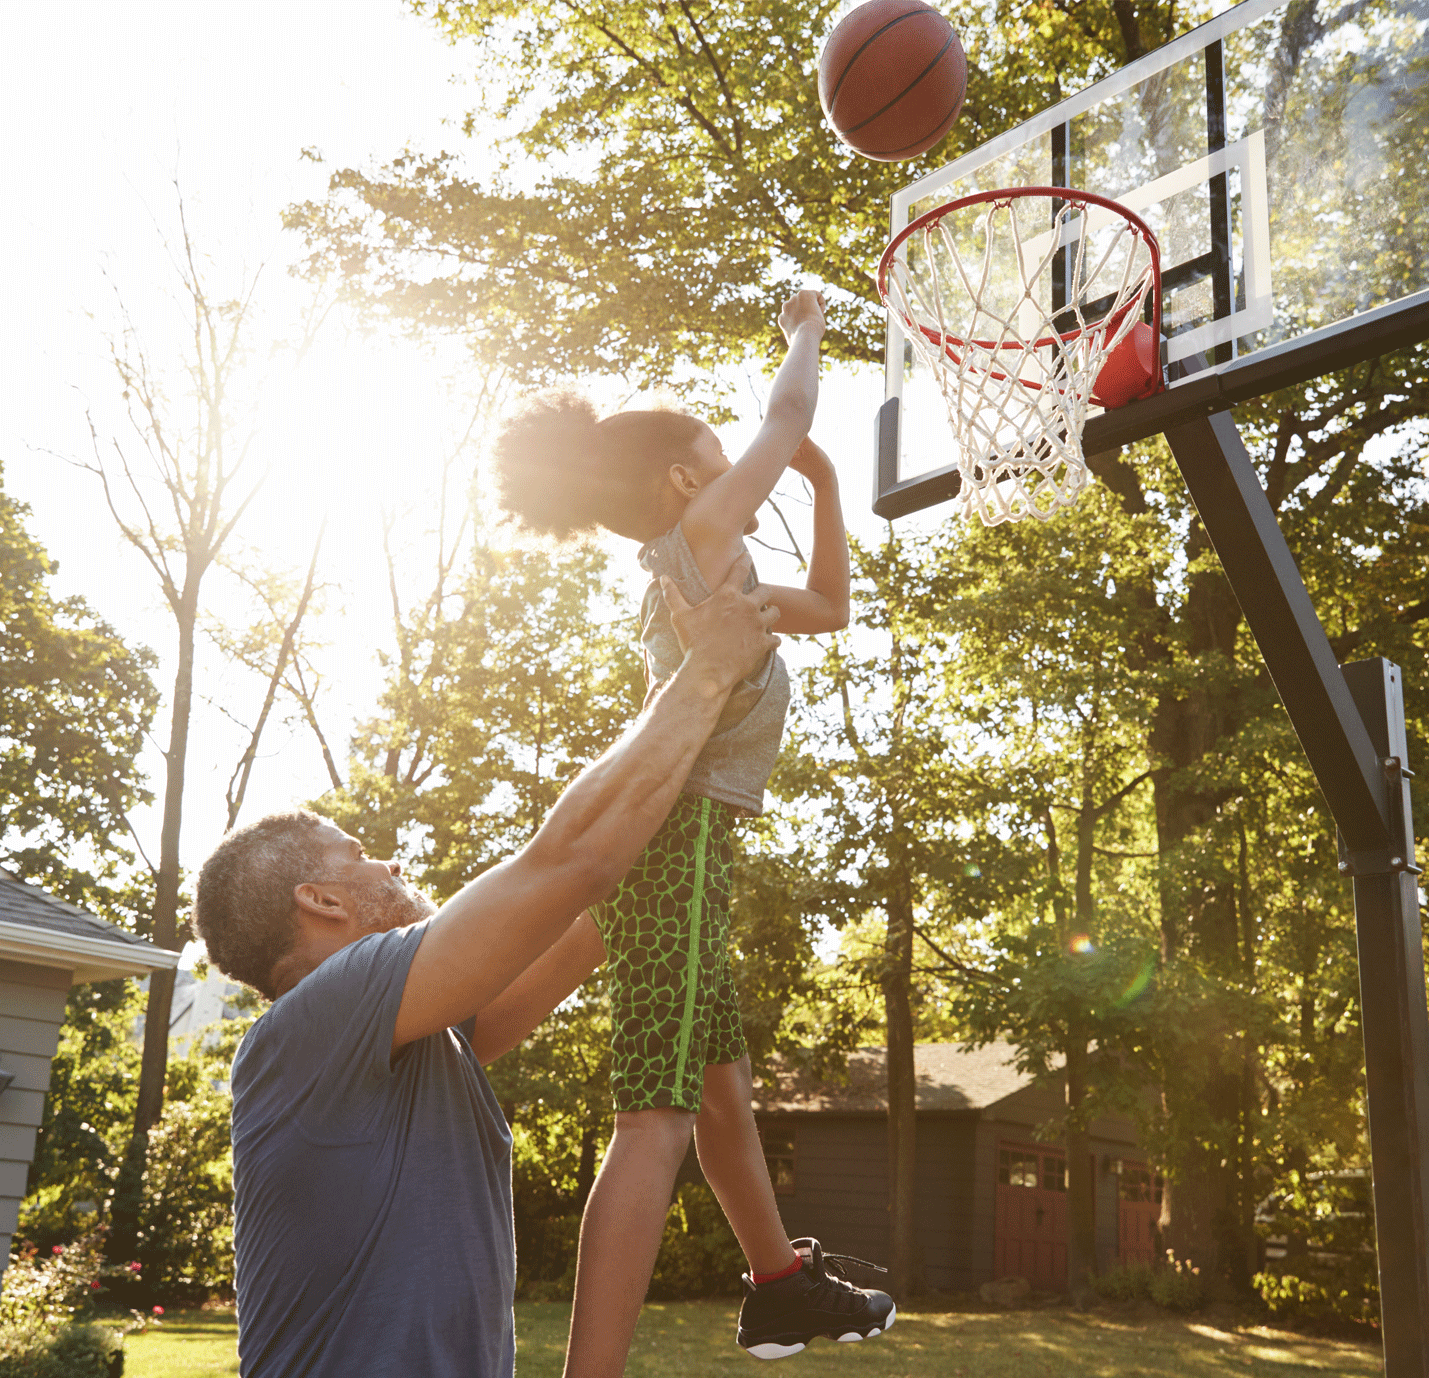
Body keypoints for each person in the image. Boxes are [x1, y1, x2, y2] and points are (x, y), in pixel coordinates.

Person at [192, 559, 780, 1378]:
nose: (390, 862)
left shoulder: (427, 1039)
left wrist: (694, 718)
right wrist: (708, 668)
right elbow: (571, 862)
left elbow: (602, 914)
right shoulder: (319, 1016)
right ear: (321, 901)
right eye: (361, 856)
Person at [490, 289, 893, 1375]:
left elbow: (833, 603)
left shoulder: (712, 570)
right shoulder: (699, 533)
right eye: (725, 452)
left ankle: (777, 1288)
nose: (743, 461)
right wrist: (803, 331)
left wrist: (824, 487)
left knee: (716, 1086)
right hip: (677, 841)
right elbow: (789, 410)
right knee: (655, 1115)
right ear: (682, 479)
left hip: (687, 839)